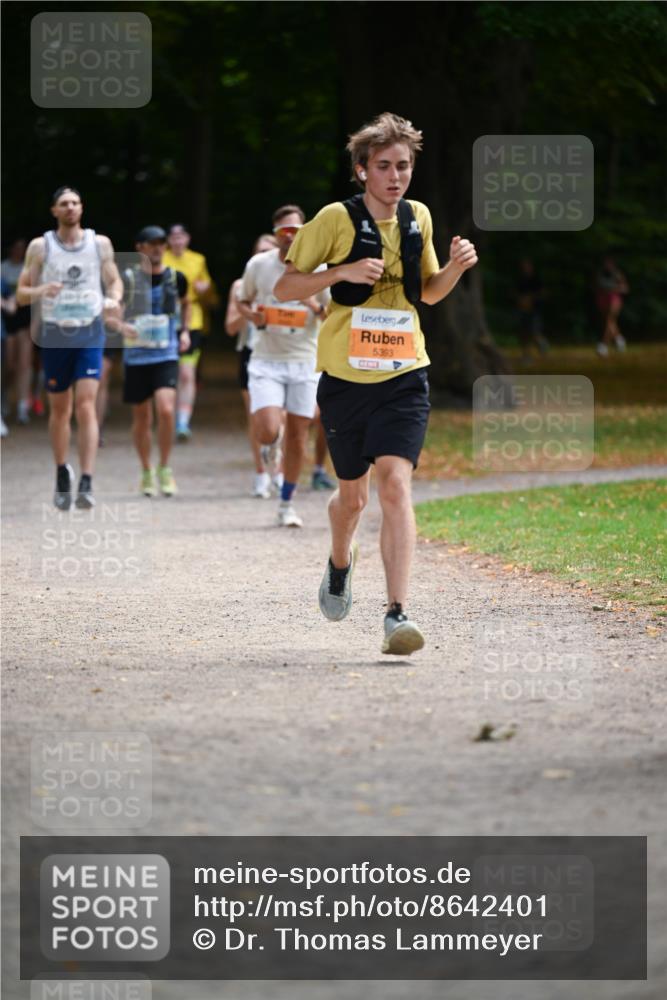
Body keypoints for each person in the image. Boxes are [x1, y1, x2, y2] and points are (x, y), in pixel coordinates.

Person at [275, 112, 478, 655]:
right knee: (352, 499)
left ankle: (396, 613)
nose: (395, 176)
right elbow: (287, 285)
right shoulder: (334, 221)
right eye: (384, 166)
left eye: (404, 166)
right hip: (345, 379)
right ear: (362, 170)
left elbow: (428, 293)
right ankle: (340, 561)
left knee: (395, 484)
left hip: (406, 372)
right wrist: (339, 273)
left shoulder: (418, 219)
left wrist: (456, 267)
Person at [16, 186, 123, 510]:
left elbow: (115, 280)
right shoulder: (41, 246)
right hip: (55, 334)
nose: (71, 208)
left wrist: (113, 300)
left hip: (90, 331)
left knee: (86, 405)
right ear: (54, 211)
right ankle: (62, 470)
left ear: (82, 207)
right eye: (64, 204)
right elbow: (21, 293)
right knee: (60, 409)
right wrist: (41, 290)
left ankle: (87, 479)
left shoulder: (99, 243)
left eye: (76, 202)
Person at [238, 204, 330, 527]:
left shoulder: (320, 268)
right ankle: (268, 446)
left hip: (305, 361)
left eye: (295, 230)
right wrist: (253, 316)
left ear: (304, 231)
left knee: (297, 436)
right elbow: (243, 300)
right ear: (276, 234)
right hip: (266, 360)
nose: (289, 236)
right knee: (267, 429)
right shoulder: (259, 265)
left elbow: (333, 315)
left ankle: (287, 502)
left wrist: (313, 304)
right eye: (283, 231)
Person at [105, 226, 191, 496]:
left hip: (165, 354)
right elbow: (110, 316)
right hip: (137, 357)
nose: (157, 248)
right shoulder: (127, 280)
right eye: (151, 243)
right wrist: (121, 328)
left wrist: (185, 330)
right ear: (139, 247)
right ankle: (146, 470)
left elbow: (186, 303)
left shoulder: (177, 278)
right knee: (142, 417)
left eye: (161, 243)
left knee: (166, 410)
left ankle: (165, 468)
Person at [225, 233, 279, 498]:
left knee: (285, 419)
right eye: (259, 251)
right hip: (251, 353)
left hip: (283, 353)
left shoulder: (287, 281)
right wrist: (247, 311)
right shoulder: (240, 286)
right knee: (256, 418)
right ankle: (260, 474)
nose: (263, 256)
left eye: (268, 251)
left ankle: (278, 472)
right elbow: (230, 327)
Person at [163, 224, 212, 439]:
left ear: (187, 238)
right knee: (168, 373)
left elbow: (207, 291)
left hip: (191, 321)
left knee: (186, 373)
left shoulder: (198, 260)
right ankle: (168, 417)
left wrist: (204, 289)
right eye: (173, 237)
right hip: (163, 321)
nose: (177, 241)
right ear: (168, 240)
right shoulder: (160, 258)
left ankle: (182, 422)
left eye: (181, 236)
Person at [1, 238, 33, 424]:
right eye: (17, 247)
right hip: (7, 321)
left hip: (24, 319)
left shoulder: (28, 269)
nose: (19, 251)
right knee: (10, 365)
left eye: (23, 248)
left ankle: (23, 406)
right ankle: (5, 396)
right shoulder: (3, 268)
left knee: (25, 364)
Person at [515, 258, 548, 364]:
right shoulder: (520, 279)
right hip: (522, 309)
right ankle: (526, 355)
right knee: (524, 334)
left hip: (534, 310)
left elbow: (543, 293)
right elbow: (514, 293)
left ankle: (542, 344)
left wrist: (531, 298)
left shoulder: (536, 279)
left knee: (534, 332)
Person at [595, 255, 629, 356]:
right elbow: (596, 287)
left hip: (614, 299)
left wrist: (613, 289)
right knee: (610, 322)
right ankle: (620, 340)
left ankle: (603, 345)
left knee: (609, 320)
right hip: (602, 299)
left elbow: (625, 288)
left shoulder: (617, 275)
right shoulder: (599, 274)